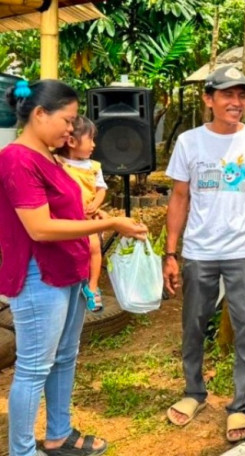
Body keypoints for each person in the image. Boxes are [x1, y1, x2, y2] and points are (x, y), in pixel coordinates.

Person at [0, 79, 147, 456]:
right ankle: (22, 450)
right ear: (38, 114)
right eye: (67, 119)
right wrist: (110, 224)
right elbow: (40, 227)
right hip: (39, 275)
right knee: (34, 367)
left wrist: (90, 213)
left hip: (69, 270)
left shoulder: (48, 156)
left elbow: (62, 211)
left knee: (65, 356)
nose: (72, 128)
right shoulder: (17, 158)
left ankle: (58, 434)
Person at [162, 66, 245, 442]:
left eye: (242, 95)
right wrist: (171, 252)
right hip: (200, 250)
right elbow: (180, 197)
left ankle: (239, 406)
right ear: (208, 99)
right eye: (228, 95)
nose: (237, 102)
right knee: (193, 325)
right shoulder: (189, 142)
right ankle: (194, 391)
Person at [54, 116, 107, 313]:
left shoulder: (94, 167)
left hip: (87, 219)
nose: (94, 145)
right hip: (67, 220)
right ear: (72, 141)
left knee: (94, 248)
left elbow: (101, 189)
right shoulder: (57, 162)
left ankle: (92, 286)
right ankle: (75, 282)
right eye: (90, 139)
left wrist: (96, 204)